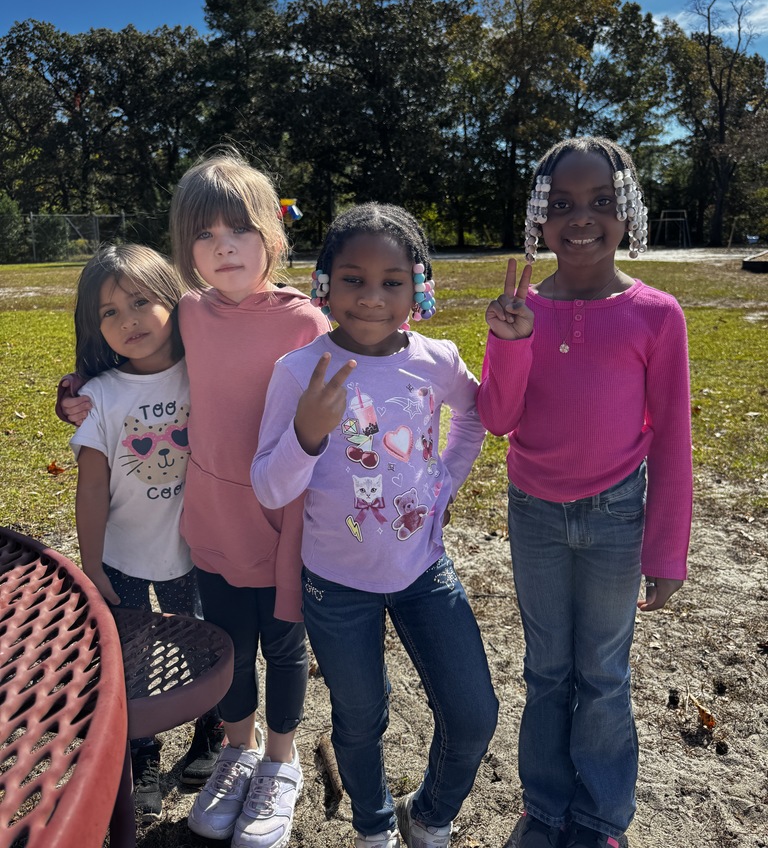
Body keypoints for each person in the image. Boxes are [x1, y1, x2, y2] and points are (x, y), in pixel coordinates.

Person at [60, 150, 329, 848]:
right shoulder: (190, 312)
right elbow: (128, 352)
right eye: (204, 235)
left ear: (273, 231)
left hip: (282, 520)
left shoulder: (306, 322)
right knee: (230, 647)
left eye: (238, 228)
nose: (223, 247)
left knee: (284, 644)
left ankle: (281, 761)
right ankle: (237, 754)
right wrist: (77, 389)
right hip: (211, 520)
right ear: (187, 250)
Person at [251, 203, 499, 848]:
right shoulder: (298, 371)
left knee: (475, 714)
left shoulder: (437, 358)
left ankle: (432, 813)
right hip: (336, 586)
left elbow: (473, 415)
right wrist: (307, 432)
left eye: (392, 281)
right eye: (353, 279)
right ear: (323, 284)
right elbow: (268, 486)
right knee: (359, 721)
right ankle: (374, 823)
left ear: (419, 288)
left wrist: (445, 480)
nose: (371, 297)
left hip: (424, 572)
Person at [477, 137, 693, 848]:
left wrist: (667, 550)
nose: (582, 218)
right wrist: (509, 341)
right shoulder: (522, 308)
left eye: (601, 202)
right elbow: (499, 419)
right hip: (533, 514)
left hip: (616, 519)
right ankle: (545, 809)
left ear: (626, 211)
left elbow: (671, 444)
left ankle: (600, 818)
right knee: (546, 670)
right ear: (540, 217)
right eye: (563, 203)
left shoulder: (657, 314)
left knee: (601, 672)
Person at [68, 243, 199, 825]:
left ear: (174, 299)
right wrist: (91, 566)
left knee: (200, 644)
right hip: (121, 558)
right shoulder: (100, 396)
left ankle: (213, 733)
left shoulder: (207, 373)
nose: (128, 321)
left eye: (141, 301)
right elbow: (91, 488)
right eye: (109, 312)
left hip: (195, 552)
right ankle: (143, 753)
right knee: (133, 659)